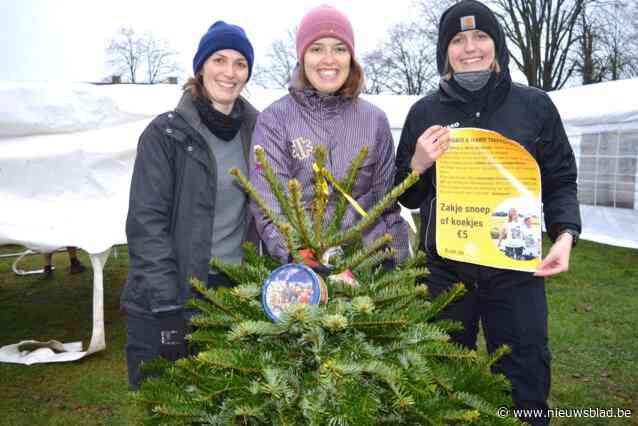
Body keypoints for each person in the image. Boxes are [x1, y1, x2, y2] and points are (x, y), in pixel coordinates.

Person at [394, 1, 581, 424]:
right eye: (458, 40)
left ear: (496, 45)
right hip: (447, 273)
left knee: (524, 384)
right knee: (440, 384)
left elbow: (560, 178)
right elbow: (403, 195)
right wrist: (418, 164)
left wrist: (565, 234)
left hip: (516, 271)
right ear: (446, 53)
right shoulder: (424, 112)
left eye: (480, 37)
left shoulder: (534, 106)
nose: (470, 48)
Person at [120, 21, 259, 390]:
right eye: (219, 59)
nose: (229, 72)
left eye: (240, 63)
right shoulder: (166, 134)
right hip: (171, 295)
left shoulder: (258, 131)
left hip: (234, 296)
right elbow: (146, 225)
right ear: (200, 67)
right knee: (165, 402)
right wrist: (167, 309)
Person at [250, 4, 409, 267]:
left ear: (351, 57)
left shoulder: (374, 121)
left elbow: (387, 206)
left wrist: (399, 266)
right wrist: (299, 256)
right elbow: (269, 205)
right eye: (316, 49)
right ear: (302, 57)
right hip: (300, 271)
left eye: (339, 48)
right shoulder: (274, 120)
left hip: (366, 270)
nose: (328, 59)